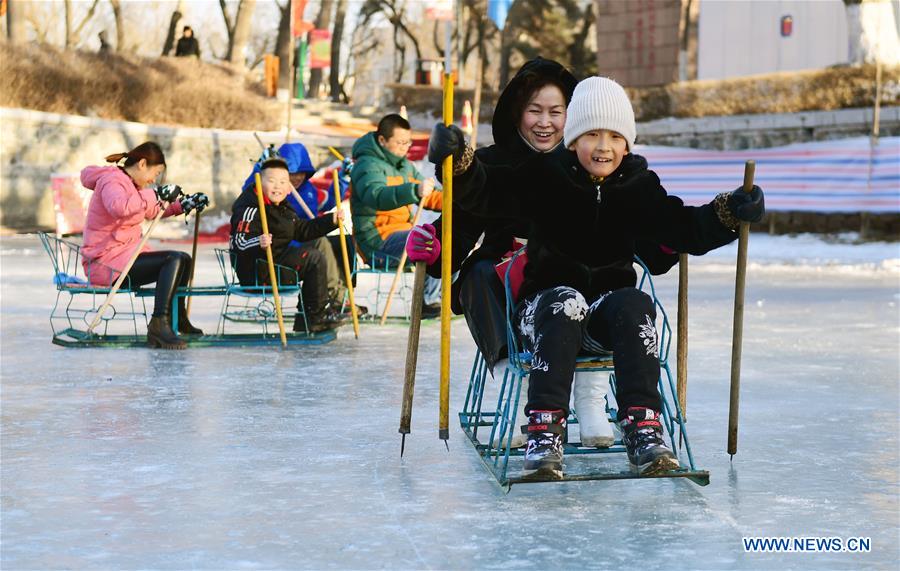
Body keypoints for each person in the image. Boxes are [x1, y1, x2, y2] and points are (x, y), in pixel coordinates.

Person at [421, 76, 766, 479]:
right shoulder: (545, 176)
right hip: (543, 311)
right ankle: (545, 430)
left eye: (615, 137)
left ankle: (643, 424)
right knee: (564, 301)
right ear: (572, 141)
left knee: (635, 302)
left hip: (603, 314)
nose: (604, 147)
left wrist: (729, 213)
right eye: (592, 135)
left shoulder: (638, 184)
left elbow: (683, 226)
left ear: (627, 143)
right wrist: (460, 164)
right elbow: (490, 191)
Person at [409, 58, 676, 449]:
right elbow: (461, 227)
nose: (545, 122)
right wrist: (434, 245)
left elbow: (642, 238)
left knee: (608, 285)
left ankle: (591, 401)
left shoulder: (596, 167)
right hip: (512, 281)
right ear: (517, 114)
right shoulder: (493, 163)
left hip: (580, 282)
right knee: (480, 273)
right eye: (535, 111)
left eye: (557, 112)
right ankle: (517, 387)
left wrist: (671, 237)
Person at [80, 141, 209, 349]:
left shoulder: (131, 185)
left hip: (122, 258)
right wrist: (157, 193)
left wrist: (182, 205)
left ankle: (178, 319)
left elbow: (150, 210)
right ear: (142, 164)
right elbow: (119, 207)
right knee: (172, 259)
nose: (153, 180)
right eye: (155, 174)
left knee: (183, 259)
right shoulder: (112, 181)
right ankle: (159, 323)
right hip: (105, 264)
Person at [230, 156, 346, 333]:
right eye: (271, 181)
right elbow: (239, 242)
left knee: (333, 244)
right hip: (258, 272)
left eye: (283, 182)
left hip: (275, 264)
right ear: (259, 183)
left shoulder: (282, 207)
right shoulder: (250, 208)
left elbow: (302, 230)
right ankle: (315, 316)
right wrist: (258, 242)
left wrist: (330, 221)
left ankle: (309, 317)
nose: (278, 186)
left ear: (289, 188)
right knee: (312, 258)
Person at [349, 113, 443, 318]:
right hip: (378, 241)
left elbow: (430, 196)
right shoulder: (366, 165)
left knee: (447, 237)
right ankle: (427, 301)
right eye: (400, 142)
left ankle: (442, 296)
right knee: (431, 241)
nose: (405, 147)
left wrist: (457, 201)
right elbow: (376, 195)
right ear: (382, 140)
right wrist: (413, 191)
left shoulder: (405, 166)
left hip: (403, 233)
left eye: (407, 142)